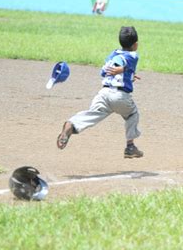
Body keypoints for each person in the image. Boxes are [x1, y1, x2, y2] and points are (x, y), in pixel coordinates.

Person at [56, 26, 143, 158]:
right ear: (135, 44)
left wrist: (128, 74)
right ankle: (130, 146)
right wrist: (124, 70)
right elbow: (128, 64)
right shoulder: (133, 55)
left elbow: (103, 72)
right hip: (120, 96)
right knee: (132, 114)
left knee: (91, 115)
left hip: (104, 93)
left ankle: (71, 125)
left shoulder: (112, 54)